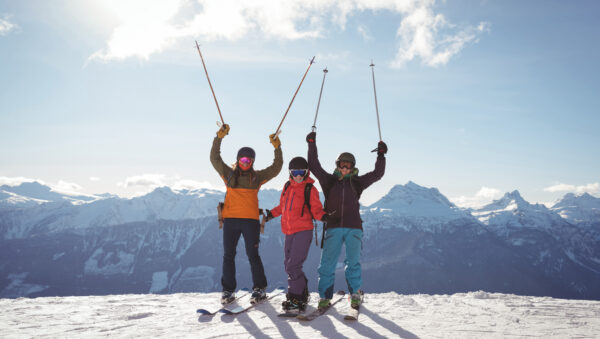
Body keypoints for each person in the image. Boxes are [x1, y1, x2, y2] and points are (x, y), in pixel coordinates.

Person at [305, 131, 386, 310]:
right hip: (333, 227)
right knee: (327, 264)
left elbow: (377, 174)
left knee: (353, 263)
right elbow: (314, 165)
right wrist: (311, 143)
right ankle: (325, 297)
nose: (345, 168)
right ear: (338, 165)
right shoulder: (329, 181)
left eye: (348, 166)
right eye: (342, 165)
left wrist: (381, 155)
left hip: (354, 228)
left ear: (353, 167)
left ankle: (355, 294)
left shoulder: (357, 182)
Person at [210, 124, 283, 304]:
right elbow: (214, 158)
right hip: (231, 220)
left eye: (249, 161)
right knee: (228, 255)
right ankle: (228, 290)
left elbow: (276, 167)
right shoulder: (228, 174)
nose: (245, 163)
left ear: (252, 162)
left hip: (250, 222)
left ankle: (259, 288)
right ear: (238, 160)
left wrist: (277, 147)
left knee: (252, 255)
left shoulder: (256, 177)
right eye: (243, 160)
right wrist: (218, 137)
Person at [265, 156, 327, 313]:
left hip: (303, 231)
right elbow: (283, 206)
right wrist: (271, 214)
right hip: (288, 231)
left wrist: (325, 217)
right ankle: (301, 292)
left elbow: (316, 209)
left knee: (293, 265)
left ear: (306, 173)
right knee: (288, 264)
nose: (298, 176)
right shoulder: (287, 187)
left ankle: (296, 297)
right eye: (295, 172)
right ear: (290, 173)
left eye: (301, 172)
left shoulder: (310, 189)